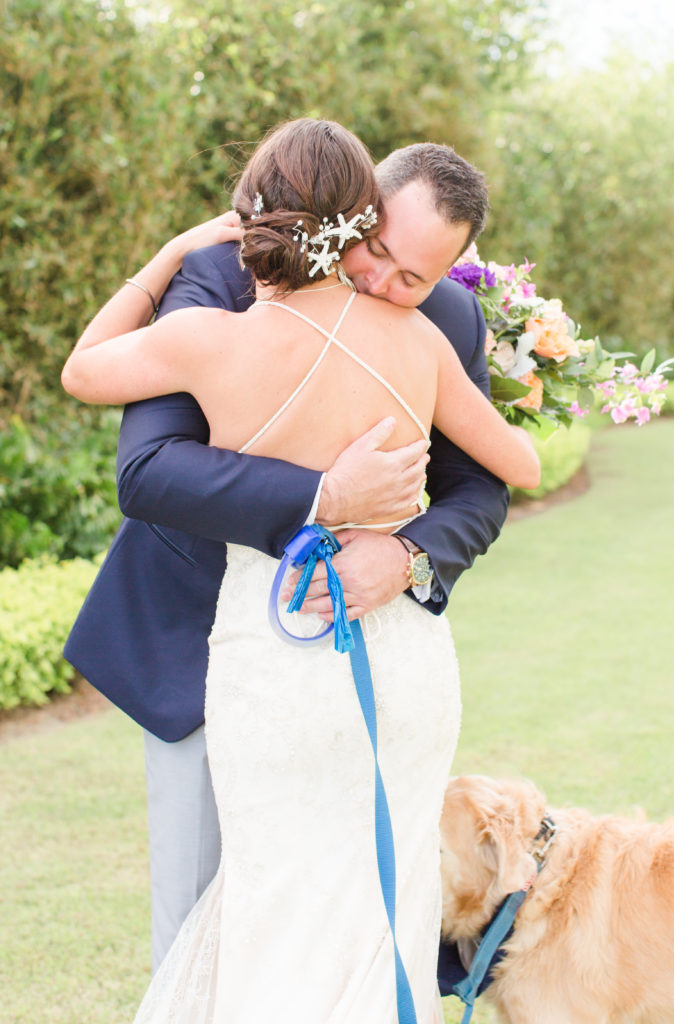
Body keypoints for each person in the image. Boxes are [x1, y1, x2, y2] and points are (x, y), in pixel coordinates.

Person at [62, 118, 539, 1021]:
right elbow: (148, 469)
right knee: (218, 905)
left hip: (375, 643)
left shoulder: (445, 321)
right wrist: (323, 494)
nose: (386, 286)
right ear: (358, 213)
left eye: (418, 278)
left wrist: (403, 555)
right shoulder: (216, 279)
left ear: (448, 278)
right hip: (200, 637)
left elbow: (480, 493)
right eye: (380, 255)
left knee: (367, 887)